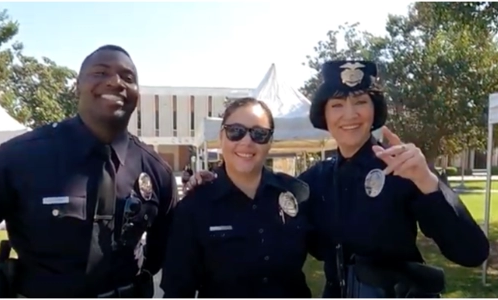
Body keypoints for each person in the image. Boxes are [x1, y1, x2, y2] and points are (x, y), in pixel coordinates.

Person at [186, 61, 489, 298]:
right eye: (337, 105)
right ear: (324, 116)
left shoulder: (402, 167)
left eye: (360, 102)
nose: (349, 115)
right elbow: (261, 196)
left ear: (374, 110)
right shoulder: (314, 180)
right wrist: (215, 180)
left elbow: (472, 253)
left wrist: (427, 182)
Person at [0, 45, 178, 298]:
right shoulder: (18, 158)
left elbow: (168, 246)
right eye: (100, 73)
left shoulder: (156, 170)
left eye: (128, 78)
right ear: (77, 87)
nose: (116, 82)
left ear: (137, 95)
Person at [160, 97, 323, 298]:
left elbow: (331, 248)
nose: (246, 141)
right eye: (235, 131)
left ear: (270, 142)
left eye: (259, 134)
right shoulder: (194, 207)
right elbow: (178, 290)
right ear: (221, 137)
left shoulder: (297, 193)